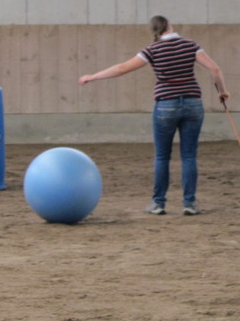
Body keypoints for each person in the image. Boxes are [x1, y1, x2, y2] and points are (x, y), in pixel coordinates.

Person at [79, 15, 230, 216]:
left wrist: (93, 76)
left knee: (161, 156)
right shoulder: (191, 45)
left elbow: (122, 68)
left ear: (155, 30)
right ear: (169, 25)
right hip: (193, 104)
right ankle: (190, 203)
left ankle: (158, 203)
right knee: (189, 155)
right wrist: (222, 91)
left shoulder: (152, 50)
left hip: (165, 106)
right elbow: (215, 68)